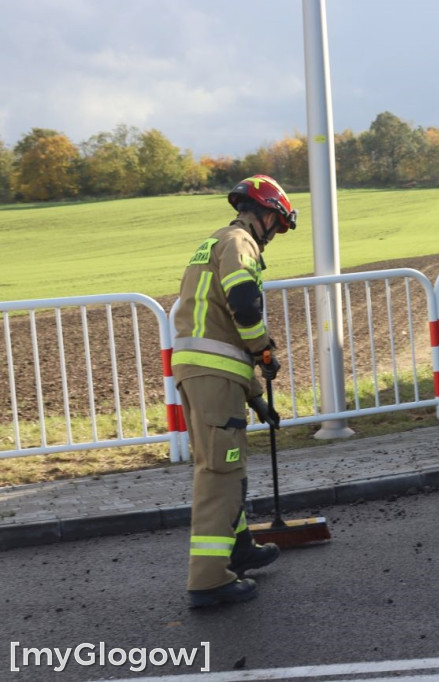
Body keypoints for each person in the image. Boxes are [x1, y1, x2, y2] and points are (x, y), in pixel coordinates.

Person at [171, 174, 297, 607]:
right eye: (277, 225)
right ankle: (209, 580)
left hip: (209, 373)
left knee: (229, 466)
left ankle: (237, 548)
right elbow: (244, 306)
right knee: (220, 472)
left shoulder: (216, 241)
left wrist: (254, 396)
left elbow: (218, 330)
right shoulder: (241, 243)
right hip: (212, 375)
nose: (276, 234)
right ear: (264, 214)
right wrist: (264, 350)